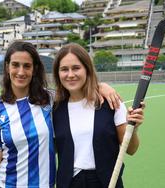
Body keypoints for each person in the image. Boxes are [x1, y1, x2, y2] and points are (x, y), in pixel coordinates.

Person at [0, 41, 121, 188]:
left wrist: (101, 86)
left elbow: (76, 88)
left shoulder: (50, 100)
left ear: (35, 69)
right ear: (7, 67)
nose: (21, 72)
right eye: (15, 65)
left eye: (27, 66)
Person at [52, 43, 145, 188]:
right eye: (64, 69)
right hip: (70, 183)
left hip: (107, 182)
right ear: (58, 74)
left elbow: (131, 149)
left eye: (76, 68)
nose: (70, 74)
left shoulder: (111, 102)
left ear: (87, 69)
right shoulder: (54, 108)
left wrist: (134, 128)